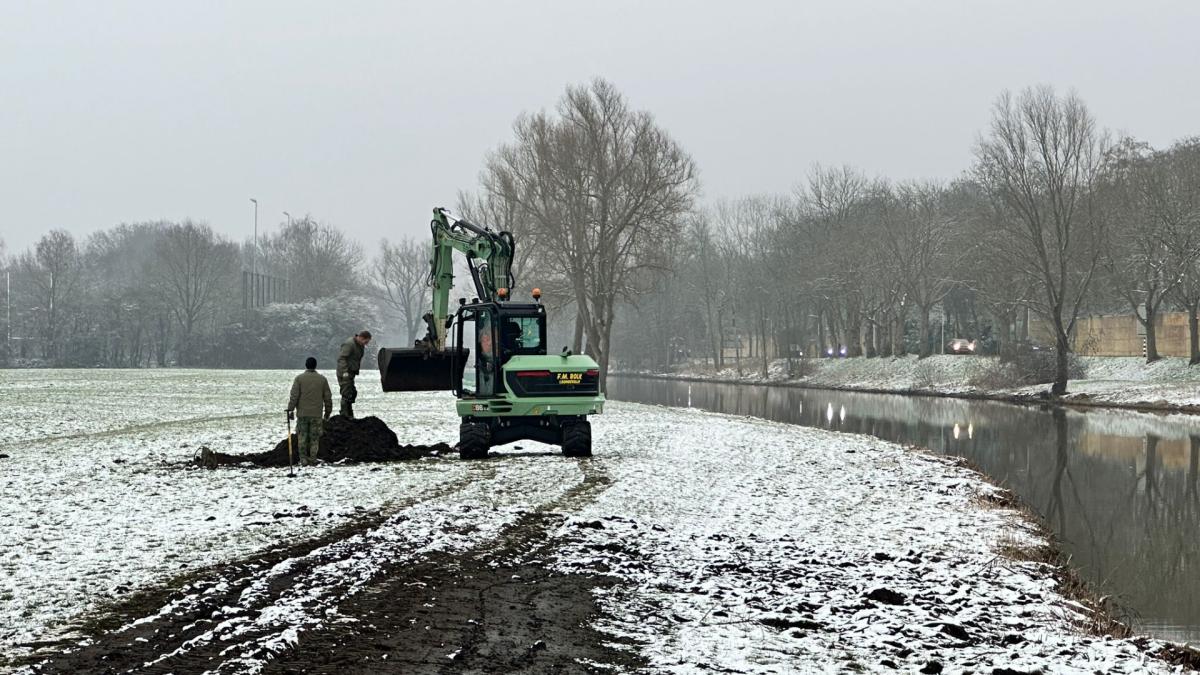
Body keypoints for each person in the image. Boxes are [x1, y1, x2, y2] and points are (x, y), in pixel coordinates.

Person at [287, 356, 332, 466]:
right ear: (315, 366)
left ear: (306, 365)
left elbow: (294, 396)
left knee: (302, 436)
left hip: (302, 414)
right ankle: (313, 459)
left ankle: (303, 459)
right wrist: (328, 412)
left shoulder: (299, 379)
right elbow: (327, 397)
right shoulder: (322, 379)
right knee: (314, 438)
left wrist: (290, 409)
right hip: (316, 414)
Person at [337, 330, 372, 418]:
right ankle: (344, 415)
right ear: (361, 338)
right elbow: (342, 358)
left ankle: (349, 413)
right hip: (345, 373)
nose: (366, 344)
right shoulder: (349, 344)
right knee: (346, 393)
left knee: (352, 392)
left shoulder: (359, 345)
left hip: (351, 373)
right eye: (366, 341)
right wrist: (344, 373)